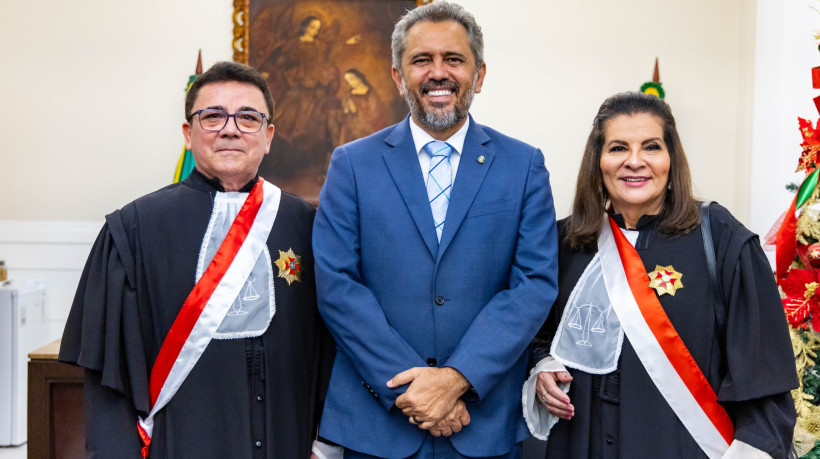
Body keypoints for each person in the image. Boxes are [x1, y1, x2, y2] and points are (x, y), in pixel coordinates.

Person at [312, 2, 559, 458]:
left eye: (454, 59)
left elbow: (533, 286)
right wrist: (415, 390)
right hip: (377, 425)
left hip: (483, 423)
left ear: (479, 75)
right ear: (397, 75)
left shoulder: (523, 166)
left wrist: (456, 379)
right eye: (422, 60)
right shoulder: (352, 164)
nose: (437, 73)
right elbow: (337, 286)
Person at [59, 61, 335, 458]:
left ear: (268, 135)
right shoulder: (134, 229)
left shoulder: (307, 224)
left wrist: (325, 445)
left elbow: (331, 351)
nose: (230, 128)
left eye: (248, 117)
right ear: (188, 133)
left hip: (287, 440)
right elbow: (108, 378)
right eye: (212, 116)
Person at [524, 92, 798, 458]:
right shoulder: (564, 242)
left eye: (651, 147)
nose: (634, 162)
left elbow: (764, 380)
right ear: (598, 161)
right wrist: (542, 367)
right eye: (618, 148)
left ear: (671, 159)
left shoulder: (721, 240)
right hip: (581, 444)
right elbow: (537, 334)